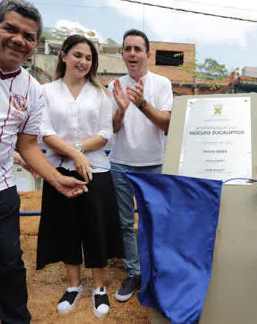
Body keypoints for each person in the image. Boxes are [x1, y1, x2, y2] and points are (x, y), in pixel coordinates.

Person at [0, 0, 87, 324]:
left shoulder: (32, 89)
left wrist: (54, 177)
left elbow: (28, 144)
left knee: (9, 266)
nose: (18, 40)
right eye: (10, 29)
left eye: (29, 36)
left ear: (36, 44)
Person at [36, 34, 124, 318]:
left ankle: (99, 287)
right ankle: (74, 285)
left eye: (88, 58)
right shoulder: (46, 91)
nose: (83, 62)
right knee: (66, 228)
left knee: (95, 229)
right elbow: (44, 131)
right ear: (63, 56)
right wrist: (75, 155)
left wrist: (75, 150)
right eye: (77, 55)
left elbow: (105, 134)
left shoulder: (100, 93)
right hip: (58, 171)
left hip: (95, 171)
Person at [109, 29, 173, 302]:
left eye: (137, 49)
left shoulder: (162, 83)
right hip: (120, 164)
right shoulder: (114, 86)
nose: (132, 54)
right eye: (128, 49)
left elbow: (167, 124)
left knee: (154, 222)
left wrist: (142, 103)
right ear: (122, 54)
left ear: (147, 54)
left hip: (154, 164)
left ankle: (155, 272)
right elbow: (109, 129)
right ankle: (134, 272)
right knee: (125, 223)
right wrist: (122, 109)